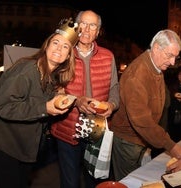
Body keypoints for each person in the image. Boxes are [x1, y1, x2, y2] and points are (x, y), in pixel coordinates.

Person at [0, 17, 80, 188]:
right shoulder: (26, 70)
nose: (59, 48)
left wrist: (57, 96)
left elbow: (36, 101)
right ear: (47, 46)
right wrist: (46, 107)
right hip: (8, 147)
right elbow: (4, 107)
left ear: (68, 56)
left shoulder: (51, 77)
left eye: (65, 46)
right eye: (56, 43)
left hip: (26, 148)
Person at [51, 10, 120, 188]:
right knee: (70, 182)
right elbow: (53, 90)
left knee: (95, 180)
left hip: (96, 130)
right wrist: (76, 101)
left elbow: (114, 87)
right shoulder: (64, 53)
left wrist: (112, 105)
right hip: (67, 129)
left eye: (93, 26)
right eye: (83, 23)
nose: (87, 29)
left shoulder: (108, 56)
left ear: (98, 31)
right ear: (76, 26)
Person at [110, 29, 181, 181]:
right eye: (169, 55)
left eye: (175, 57)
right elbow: (142, 121)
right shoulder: (137, 74)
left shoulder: (156, 65)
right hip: (127, 142)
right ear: (156, 48)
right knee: (130, 182)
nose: (173, 62)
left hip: (141, 139)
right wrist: (170, 145)